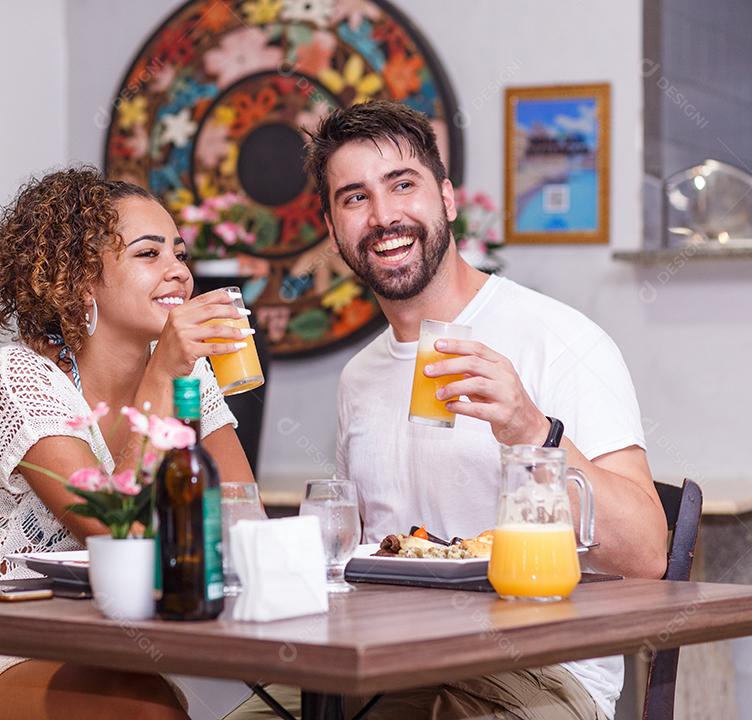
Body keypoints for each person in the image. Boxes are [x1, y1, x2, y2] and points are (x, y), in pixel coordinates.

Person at [231, 101, 667, 720]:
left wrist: (531, 430)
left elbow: (648, 554)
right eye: (355, 198)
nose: (384, 217)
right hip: (384, 660)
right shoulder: (360, 377)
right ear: (331, 229)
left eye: (401, 185)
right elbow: (361, 552)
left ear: (446, 199)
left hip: (535, 669)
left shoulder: (558, 339)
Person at [0, 167, 256, 719]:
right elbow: (113, 526)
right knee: (148, 713)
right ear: (78, 282)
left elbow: (243, 515)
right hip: (14, 645)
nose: (179, 274)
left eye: (180, 254)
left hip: (149, 636)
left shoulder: (191, 374)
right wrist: (164, 374)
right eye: (149, 255)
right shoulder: (22, 377)